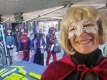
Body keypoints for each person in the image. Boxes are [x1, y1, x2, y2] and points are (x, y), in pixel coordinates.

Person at [41, 6, 107, 80]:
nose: (81, 34)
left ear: (100, 31)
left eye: (87, 25)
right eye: (73, 29)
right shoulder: (54, 70)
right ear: (68, 37)